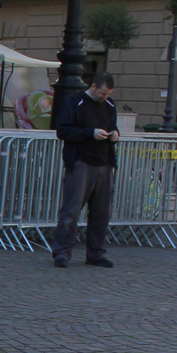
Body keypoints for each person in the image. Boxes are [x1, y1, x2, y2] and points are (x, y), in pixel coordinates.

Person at [51, 72, 119, 269]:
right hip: (81, 162)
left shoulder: (110, 105)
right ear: (94, 86)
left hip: (104, 163)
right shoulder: (75, 102)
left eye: (108, 95)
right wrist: (90, 133)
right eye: (103, 94)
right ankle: (62, 252)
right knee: (71, 210)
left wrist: (114, 134)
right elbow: (63, 130)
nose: (104, 98)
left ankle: (96, 252)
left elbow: (112, 127)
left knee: (101, 212)